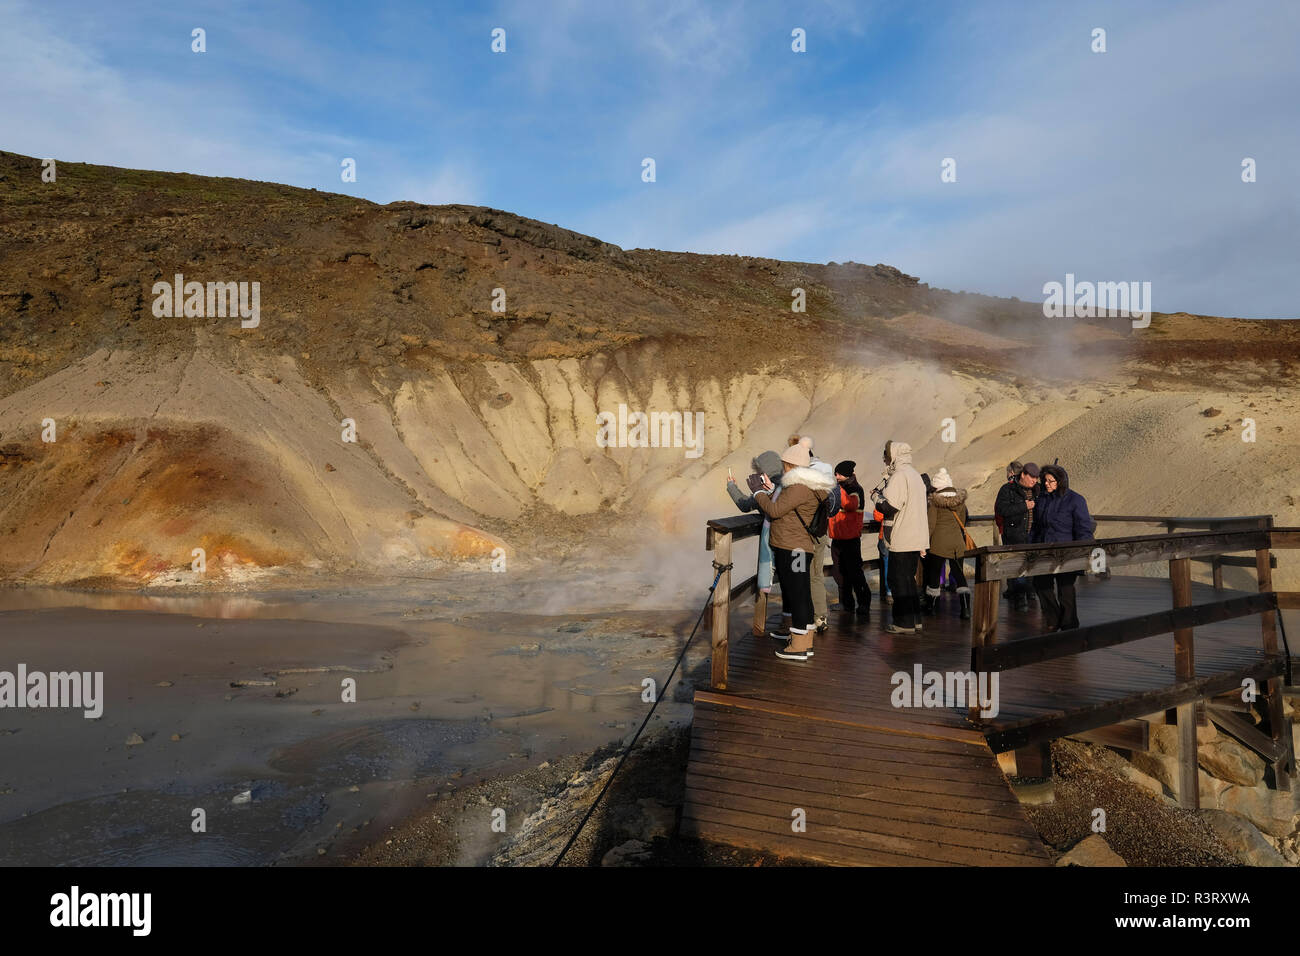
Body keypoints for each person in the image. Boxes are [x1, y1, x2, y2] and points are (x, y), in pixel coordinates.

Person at [753, 443, 835, 661]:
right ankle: (802, 639)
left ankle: (799, 646)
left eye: (784, 464)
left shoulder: (799, 486)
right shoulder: (807, 484)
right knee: (800, 593)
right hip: (796, 546)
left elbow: (775, 509)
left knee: (798, 594)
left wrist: (758, 493)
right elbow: (788, 506)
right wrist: (772, 491)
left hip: (793, 548)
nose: (783, 468)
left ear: (790, 464)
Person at [871, 440, 929, 634]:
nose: (884, 459)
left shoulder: (899, 476)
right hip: (916, 535)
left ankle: (903, 623)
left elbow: (890, 506)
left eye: (886, 455)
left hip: (902, 536)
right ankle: (915, 619)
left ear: (894, 456)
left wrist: (876, 497)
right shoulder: (914, 475)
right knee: (908, 579)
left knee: (897, 579)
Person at [1029, 464, 1094, 631]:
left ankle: (1069, 625)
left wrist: (1083, 553)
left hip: (1067, 553)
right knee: (1041, 584)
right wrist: (1030, 548)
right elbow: (1036, 526)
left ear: (1060, 482)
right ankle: (1054, 618)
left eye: (1051, 481)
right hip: (1044, 551)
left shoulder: (1076, 500)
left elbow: (1083, 529)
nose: (1046, 484)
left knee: (1065, 589)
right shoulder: (1042, 499)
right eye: (1045, 480)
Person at [726, 450, 784, 636]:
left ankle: (795, 631)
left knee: (791, 585)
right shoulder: (790, 484)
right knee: (795, 583)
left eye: (759, 469)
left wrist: (731, 486)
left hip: (780, 542)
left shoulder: (769, 489)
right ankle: (800, 625)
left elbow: (745, 505)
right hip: (794, 543)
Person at [790, 435, 834, 633]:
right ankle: (820, 616)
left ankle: (804, 620)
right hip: (821, 533)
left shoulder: (804, 478)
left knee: (799, 575)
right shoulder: (827, 477)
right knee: (816, 575)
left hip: (803, 536)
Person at [923, 468, 972, 620]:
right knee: (959, 575)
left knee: (934, 574)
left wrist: (924, 543)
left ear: (937, 486)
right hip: (957, 543)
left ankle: (931, 607)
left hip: (939, 543)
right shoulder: (960, 501)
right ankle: (966, 609)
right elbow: (962, 522)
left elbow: (930, 525)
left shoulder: (935, 502)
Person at [995, 462, 1040, 612]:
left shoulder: (1037, 490)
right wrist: (1023, 506)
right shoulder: (1007, 489)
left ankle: (1031, 592)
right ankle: (1020, 599)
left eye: (1036, 478)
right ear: (1023, 475)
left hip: (1033, 535)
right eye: (1032, 477)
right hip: (1014, 535)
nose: (1034, 481)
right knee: (1017, 567)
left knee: (1032, 566)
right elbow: (1001, 509)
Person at [828, 460, 871, 615]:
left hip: (851, 539)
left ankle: (864, 603)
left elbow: (852, 505)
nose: (836, 476)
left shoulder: (855, 489)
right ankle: (846, 603)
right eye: (835, 474)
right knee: (839, 572)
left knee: (855, 572)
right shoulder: (839, 488)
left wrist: (837, 493)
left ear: (846, 475)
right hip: (837, 538)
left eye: (838, 474)